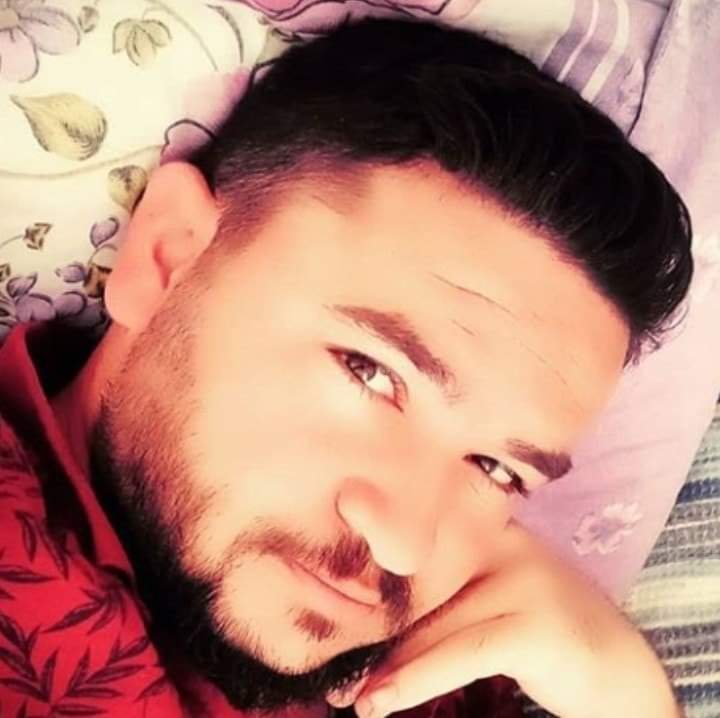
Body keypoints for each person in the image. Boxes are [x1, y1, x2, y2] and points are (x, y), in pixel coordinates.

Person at [0, 18, 689, 718]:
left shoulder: (476, 660)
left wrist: (628, 697)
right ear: (167, 258)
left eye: (497, 469)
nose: (402, 545)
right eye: (371, 373)